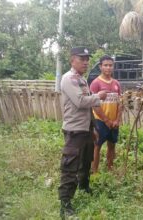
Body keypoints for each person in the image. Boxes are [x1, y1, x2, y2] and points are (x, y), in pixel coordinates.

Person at [58, 47, 107, 218]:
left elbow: (88, 108)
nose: (86, 62)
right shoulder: (68, 78)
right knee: (70, 167)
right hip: (74, 130)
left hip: (85, 129)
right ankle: (65, 204)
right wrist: (98, 96)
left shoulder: (82, 79)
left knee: (86, 161)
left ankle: (84, 187)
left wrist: (93, 128)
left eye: (87, 59)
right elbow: (80, 102)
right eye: (82, 59)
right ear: (72, 60)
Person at [90, 55, 122, 173]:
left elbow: (120, 103)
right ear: (100, 67)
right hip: (100, 121)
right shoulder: (96, 83)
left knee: (112, 145)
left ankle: (110, 169)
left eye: (110, 65)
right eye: (105, 65)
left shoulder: (116, 84)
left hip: (114, 122)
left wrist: (117, 120)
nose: (108, 68)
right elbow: (94, 104)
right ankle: (95, 172)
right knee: (97, 146)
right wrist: (106, 120)